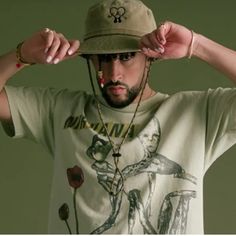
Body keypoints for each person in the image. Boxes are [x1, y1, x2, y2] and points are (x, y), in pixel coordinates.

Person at [0, 0, 236, 234]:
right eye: (104, 57)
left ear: (150, 56)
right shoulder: (60, 109)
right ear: (90, 59)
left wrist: (197, 45)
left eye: (126, 56)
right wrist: (21, 55)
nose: (114, 73)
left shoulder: (195, 113)